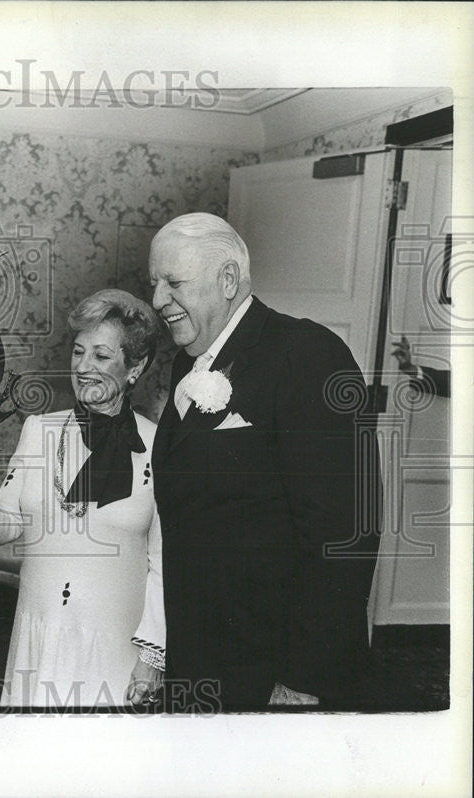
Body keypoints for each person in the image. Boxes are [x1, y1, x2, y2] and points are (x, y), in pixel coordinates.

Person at [147, 212, 381, 711]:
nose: (157, 300)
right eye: (154, 284)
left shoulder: (307, 354)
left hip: (275, 671)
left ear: (227, 280)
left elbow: (344, 532)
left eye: (173, 283)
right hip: (201, 655)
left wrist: (301, 680)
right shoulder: (187, 362)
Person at [0, 289, 165, 709]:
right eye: (78, 352)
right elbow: (2, 529)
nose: (83, 368)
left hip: (113, 644)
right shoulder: (38, 430)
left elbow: (164, 562)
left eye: (101, 356)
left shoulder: (159, 445)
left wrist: (153, 655)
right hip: (39, 632)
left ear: (135, 366)